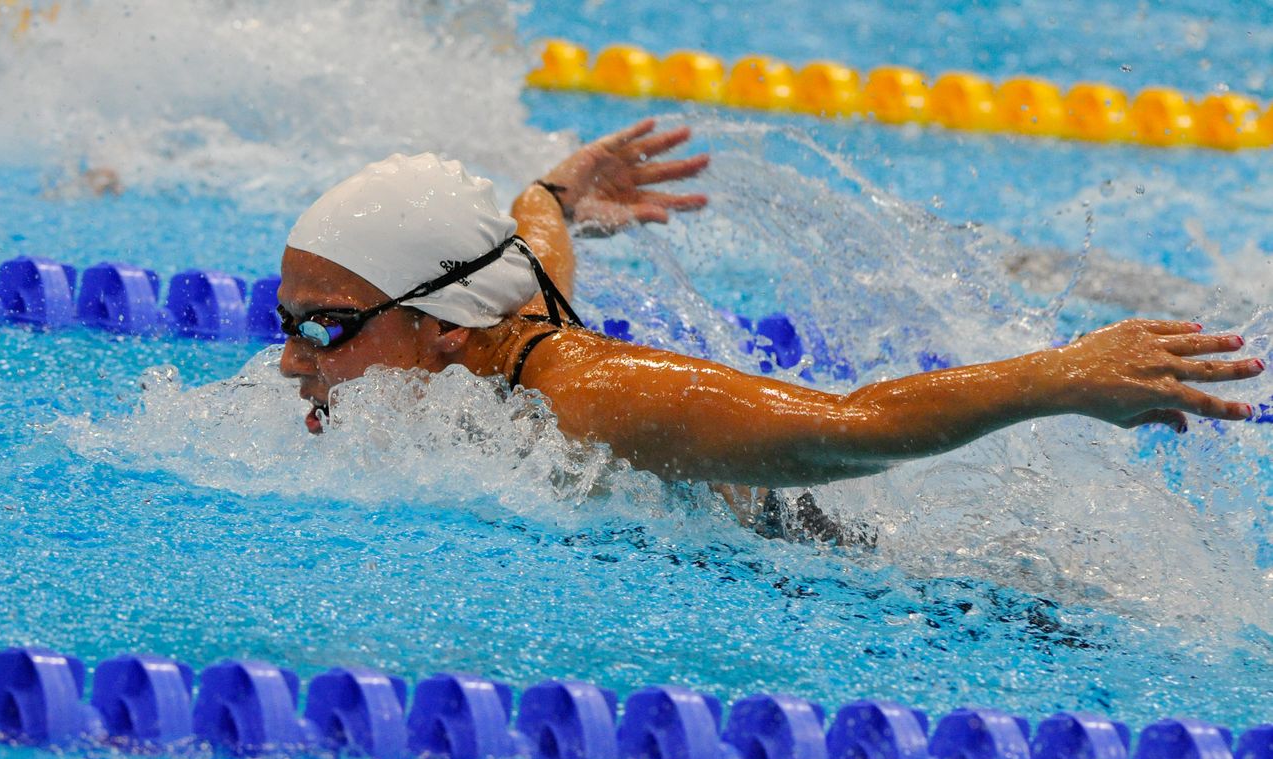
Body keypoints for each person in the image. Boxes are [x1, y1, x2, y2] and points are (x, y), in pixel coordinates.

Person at [276, 119, 1263, 534]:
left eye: (323, 330)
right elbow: (526, 237)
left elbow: (854, 429)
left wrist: (1066, 373)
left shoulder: (589, 393)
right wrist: (558, 190)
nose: (289, 362)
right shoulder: (497, 295)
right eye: (283, 324)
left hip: (851, 575)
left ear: (442, 328)